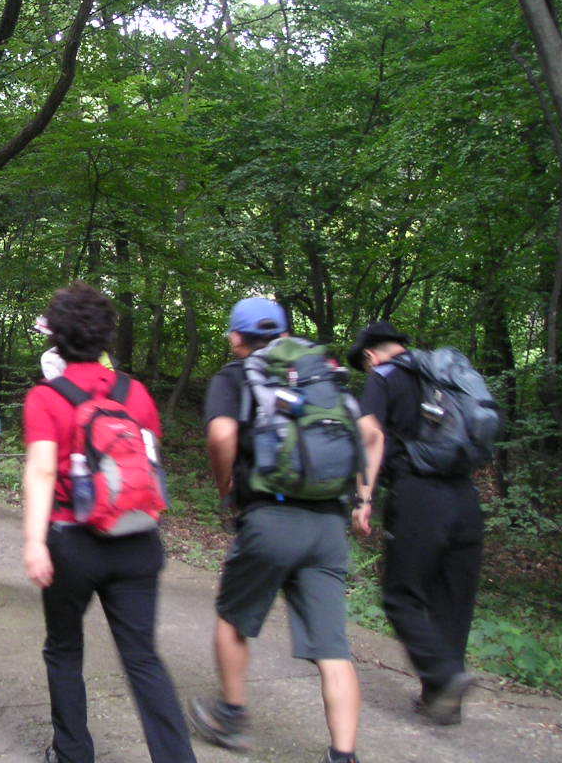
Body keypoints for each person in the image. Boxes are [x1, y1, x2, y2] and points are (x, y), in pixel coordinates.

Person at [191, 297, 379, 763]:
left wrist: (226, 486)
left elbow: (220, 436)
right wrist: (363, 494)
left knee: (233, 619)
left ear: (237, 336)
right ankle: (344, 754)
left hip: (270, 518)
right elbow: (369, 433)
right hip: (328, 524)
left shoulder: (234, 377)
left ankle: (231, 718)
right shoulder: (323, 372)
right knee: (332, 646)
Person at [22, 283, 194, 763]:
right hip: (137, 539)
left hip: (72, 542)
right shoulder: (134, 392)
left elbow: (39, 470)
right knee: (143, 658)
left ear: (55, 336)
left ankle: (73, 754)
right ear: (106, 337)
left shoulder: (46, 397)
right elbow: (148, 464)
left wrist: (35, 543)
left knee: (63, 648)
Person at [348, 321, 481, 726]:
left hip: (420, 496)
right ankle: (444, 701)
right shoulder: (446, 376)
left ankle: (442, 677)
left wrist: (363, 498)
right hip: (466, 497)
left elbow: (370, 434)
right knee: (452, 600)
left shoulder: (384, 376)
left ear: (371, 354)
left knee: (400, 595)